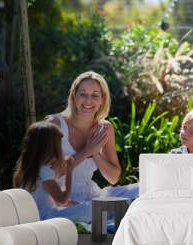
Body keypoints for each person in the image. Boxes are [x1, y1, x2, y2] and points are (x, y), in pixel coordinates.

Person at [45, 71, 138, 221]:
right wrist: (87, 150)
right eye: (83, 94)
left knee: (140, 190)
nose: (88, 101)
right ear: (74, 96)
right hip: (59, 201)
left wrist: (96, 154)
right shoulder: (54, 125)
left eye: (95, 95)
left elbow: (113, 178)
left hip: (90, 195)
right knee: (96, 211)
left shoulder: (104, 128)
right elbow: (46, 176)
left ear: (102, 99)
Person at [13, 122, 76, 220]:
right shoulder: (44, 170)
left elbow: (53, 200)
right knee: (88, 209)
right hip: (44, 217)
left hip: (39, 215)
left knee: (85, 206)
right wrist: (69, 170)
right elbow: (62, 200)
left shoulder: (31, 169)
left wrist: (75, 205)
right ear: (52, 146)